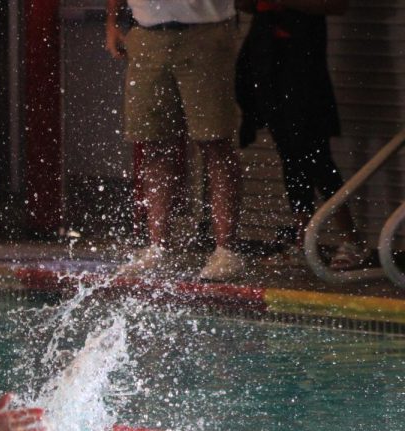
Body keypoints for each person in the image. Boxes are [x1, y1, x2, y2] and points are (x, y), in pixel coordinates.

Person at [105, 0, 246, 282]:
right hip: (146, 32)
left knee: (215, 141)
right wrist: (112, 22)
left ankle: (226, 250)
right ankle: (158, 245)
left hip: (205, 32)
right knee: (154, 143)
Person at [235, 0, 365, 270]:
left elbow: (337, 6)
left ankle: (351, 238)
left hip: (302, 54)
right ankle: (303, 240)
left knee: (314, 150)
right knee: (289, 151)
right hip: (266, 52)